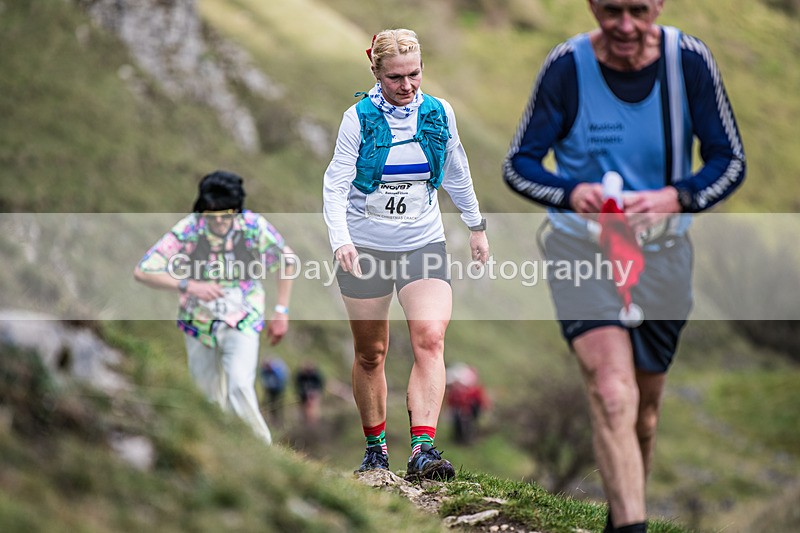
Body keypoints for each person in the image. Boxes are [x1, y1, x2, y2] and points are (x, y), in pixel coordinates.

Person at [502, 1, 745, 531]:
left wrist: (675, 198)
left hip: (663, 257)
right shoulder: (567, 66)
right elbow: (519, 165)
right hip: (581, 251)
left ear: (659, 4)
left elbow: (730, 161)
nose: (627, 25)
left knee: (643, 413)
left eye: (639, 9)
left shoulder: (689, 61)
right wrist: (572, 191)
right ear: (593, 6)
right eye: (612, 10)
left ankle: (620, 518)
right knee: (613, 392)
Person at [323, 29, 490, 481]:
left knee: (431, 337)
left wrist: (476, 226)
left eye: (414, 74)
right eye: (396, 77)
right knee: (372, 353)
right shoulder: (357, 119)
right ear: (376, 72)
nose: (407, 85)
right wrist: (341, 239)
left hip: (423, 241)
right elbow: (336, 184)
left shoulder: (439, 113)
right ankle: (375, 449)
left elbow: (456, 170)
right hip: (366, 247)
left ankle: (423, 449)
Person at [134, 170, 296, 445]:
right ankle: (217, 452)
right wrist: (188, 285)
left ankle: (260, 451)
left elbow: (287, 261)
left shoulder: (253, 227)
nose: (220, 222)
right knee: (207, 396)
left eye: (227, 215)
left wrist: (281, 311)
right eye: (212, 216)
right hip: (197, 322)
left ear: (238, 210)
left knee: (239, 385)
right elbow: (143, 270)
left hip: (243, 317)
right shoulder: (189, 229)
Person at [445, 363, 490, 445]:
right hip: (461, 411)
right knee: (460, 424)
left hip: (469, 410)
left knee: (467, 423)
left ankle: (466, 439)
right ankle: (459, 439)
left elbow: (479, 400)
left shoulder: (473, 390)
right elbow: (451, 402)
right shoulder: (457, 392)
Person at [260, 356, 289, 423]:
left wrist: (272, 369)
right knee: (269, 405)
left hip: (278, 390)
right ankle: (272, 420)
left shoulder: (276, 370)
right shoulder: (264, 371)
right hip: (269, 390)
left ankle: (280, 421)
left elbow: (281, 379)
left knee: (278, 405)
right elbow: (263, 379)